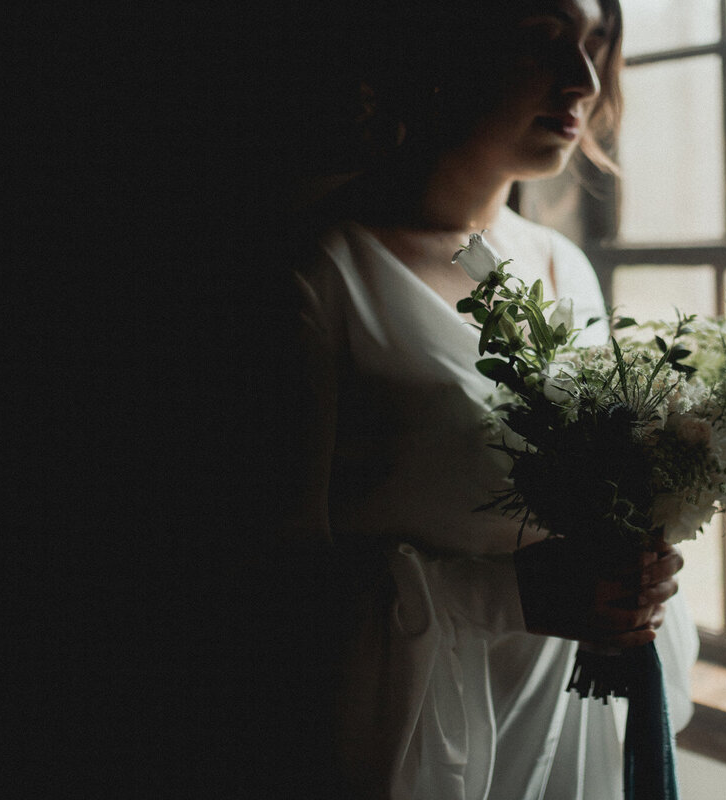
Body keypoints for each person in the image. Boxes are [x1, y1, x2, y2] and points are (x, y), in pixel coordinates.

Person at [279, 1, 699, 797]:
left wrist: (636, 566)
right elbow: (265, 585)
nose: (582, 81)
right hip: (415, 746)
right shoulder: (318, 275)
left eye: (597, 43)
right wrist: (509, 597)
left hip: (570, 725)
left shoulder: (562, 265)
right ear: (443, 43)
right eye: (545, 39)